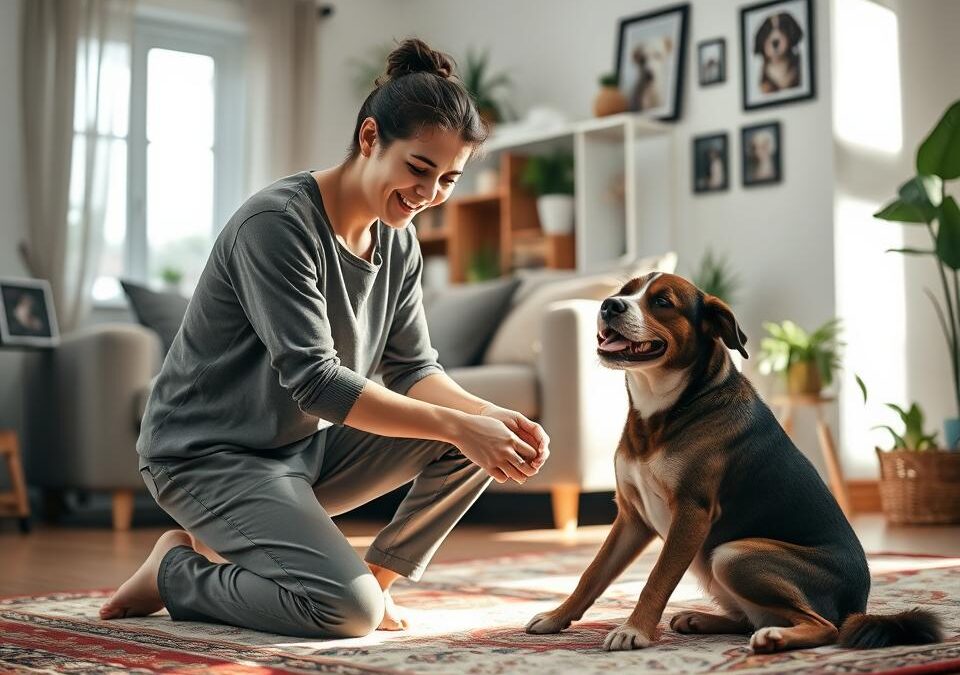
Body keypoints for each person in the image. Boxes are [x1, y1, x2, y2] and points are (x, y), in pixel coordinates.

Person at [99, 38, 550, 639]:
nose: (429, 194)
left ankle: (376, 580)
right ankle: (175, 571)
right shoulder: (277, 224)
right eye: (419, 168)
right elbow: (316, 383)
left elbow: (416, 369)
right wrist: (458, 425)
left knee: (484, 442)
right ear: (370, 138)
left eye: (448, 179)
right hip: (207, 456)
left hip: (303, 454)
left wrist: (492, 419)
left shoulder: (400, 241)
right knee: (344, 613)